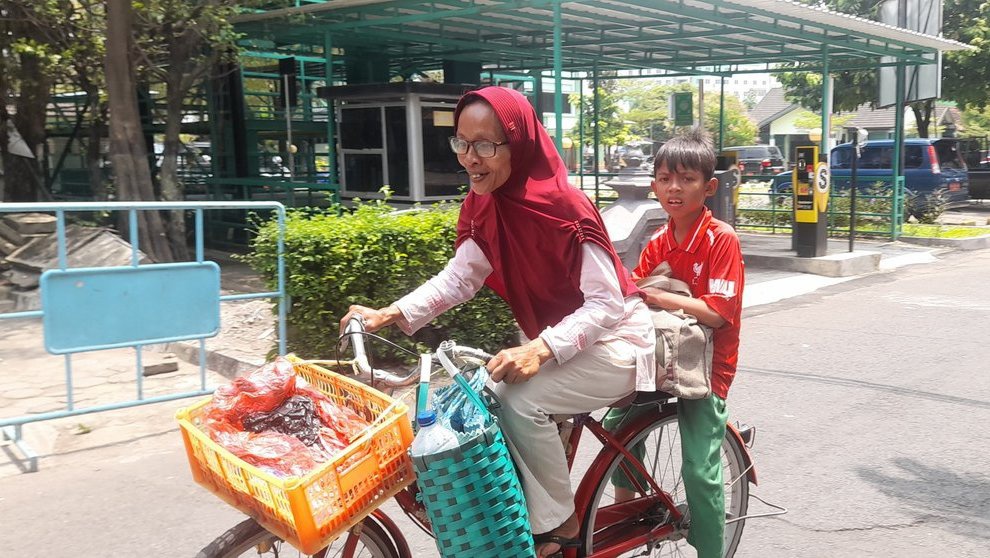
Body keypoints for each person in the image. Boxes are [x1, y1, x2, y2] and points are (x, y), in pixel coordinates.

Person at [338, 85, 656, 558]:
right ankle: (527, 514)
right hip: (563, 343)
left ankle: (561, 526)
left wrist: (540, 349)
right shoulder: (483, 203)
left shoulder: (564, 207)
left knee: (519, 399)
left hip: (618, 341)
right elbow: (460, 278)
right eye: (462, 143)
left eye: (486, 144)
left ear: (519, 142)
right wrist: (389, 313)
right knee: (475, 399)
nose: (470, 157)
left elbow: (606, 303)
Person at [611, 128, 745, 558]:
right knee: (615, 429)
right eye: (665, 178)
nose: (674, 187)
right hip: (657, 356)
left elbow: (719, 313)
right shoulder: (657, 242)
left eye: (686, 179)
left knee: (699, 469)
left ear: (708, 187)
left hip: (706, 369)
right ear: (654, 185)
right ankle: (625, 516)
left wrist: (658, 295)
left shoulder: (720, 238)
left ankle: (711, 551)